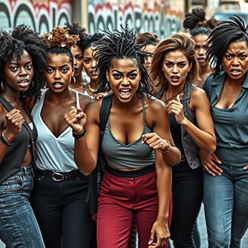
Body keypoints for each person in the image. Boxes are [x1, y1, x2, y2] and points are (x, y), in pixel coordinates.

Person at [65, 28, 181, 248]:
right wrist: (79, 133)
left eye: (132, 75)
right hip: (113, 192)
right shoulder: (97, 109)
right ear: (108, 75)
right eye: (117, 75)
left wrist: (163, 219)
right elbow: (87, 168)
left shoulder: (155, 109)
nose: (125, 83)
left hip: (152, 191)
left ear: (140, 75)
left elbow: (169, 164)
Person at [150, 33, 216, 248]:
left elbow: (210, 143)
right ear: (161, 66)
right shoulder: (155, 94)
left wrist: (184, 121)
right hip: (158, 171)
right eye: (169, 64)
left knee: (181, 234)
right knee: (158, 233)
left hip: (187, 173)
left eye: (181, 64)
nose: (175, 70)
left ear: (190, 65)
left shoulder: (196, 96)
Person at [30, 26, 93, 248]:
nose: (57, 76)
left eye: (64, 69)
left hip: (77, 187)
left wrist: (79, 132)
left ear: (74, 69)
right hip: (42, 187)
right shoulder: (33, 101)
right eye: (50, 70)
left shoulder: (87, 104)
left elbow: (87, 168)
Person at [202, 15, 248, 248]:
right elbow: (199, 123)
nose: (235, 62)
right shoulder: (211, 84)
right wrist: (203, 152)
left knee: (233, 239)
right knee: (219, 239)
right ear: (221, 58)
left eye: (242, 56)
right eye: (229, 56)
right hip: (217, 170)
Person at [0, 24, 46, 247]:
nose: (23, 73)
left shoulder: (22, 102)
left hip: (27, 187)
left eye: (28, 66)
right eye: (14, 68)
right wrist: (8, 133)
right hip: (7, 193)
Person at [183, 7, 218, 87]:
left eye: (206, 47)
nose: (201, 52)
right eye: (196, 47)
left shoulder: (219, 77)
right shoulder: (183, 77)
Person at [65, 23, 88, 93]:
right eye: (70, 58)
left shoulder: (92, 85)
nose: (74, 63)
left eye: (79, 57)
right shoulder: (55, 87)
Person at [82, 32, 104, 97]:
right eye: (87, 61)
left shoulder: (114, 91)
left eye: (98, 59)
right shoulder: (79, 93)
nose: (93, 65)